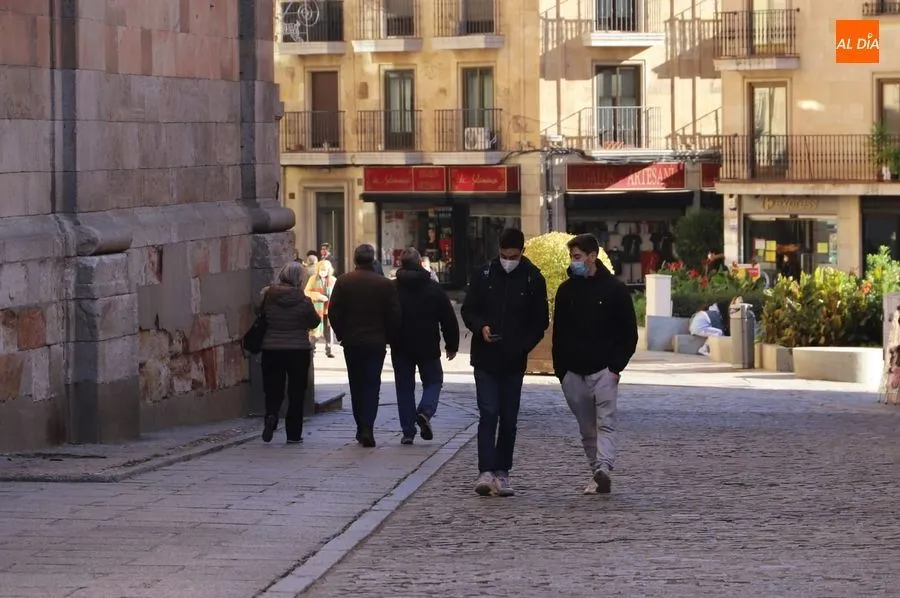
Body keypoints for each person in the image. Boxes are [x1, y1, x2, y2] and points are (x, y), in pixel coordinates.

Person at [461, 228, 549, 497]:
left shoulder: (533, 278)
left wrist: (522, 346)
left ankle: (502, 472)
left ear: (522, 252)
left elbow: (540, 321)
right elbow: (469, 310)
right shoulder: (484, 274)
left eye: (513, 256)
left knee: (509, 419)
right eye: (504, 256)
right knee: (488, 413)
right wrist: (481, 327)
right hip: (485, 358)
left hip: (513, 360)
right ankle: (485, 471)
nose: (508, 261)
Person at [552, 233, 638, 495]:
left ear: (592, 256)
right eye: (571, 256)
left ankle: (604, 467)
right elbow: (559, 334)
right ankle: (596, 472)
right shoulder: (566, 291)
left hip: (603, 371)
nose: (573, 261)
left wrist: (615, 368)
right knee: (587, 429)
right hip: (573, 373)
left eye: (578, 256)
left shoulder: (615, 290)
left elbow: (629, 333)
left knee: (606, 422)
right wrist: (561, 372)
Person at [329, 244, 402, 447]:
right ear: (373, 260)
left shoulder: (344, 281)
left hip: (352, 341)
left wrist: (341, 333)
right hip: (375, 342)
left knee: (356, 384)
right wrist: (388, 336)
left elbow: (333, 311)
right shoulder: (384, 284)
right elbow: (395, 314)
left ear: (355, 260)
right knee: (372, 384)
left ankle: (361, 426)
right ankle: (368, 426)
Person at [391, 248, 460, 445]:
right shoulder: (433, 288)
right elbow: (448, 318)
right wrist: (452, 344)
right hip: (427, 344)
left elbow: (385, 315)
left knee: (404, 387)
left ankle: (407, 432)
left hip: (400, 344)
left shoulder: (393, 288)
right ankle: (425, 411)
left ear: (401, 264)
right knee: (434, 380)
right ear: (420, 263)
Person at [258, 261, 321, 444]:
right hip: (297, 351)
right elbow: (315, 322)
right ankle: (293, 434)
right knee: (296, 392)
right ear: (300, 278)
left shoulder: (267, 295)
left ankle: (271, 415)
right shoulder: (304, 300)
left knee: (273, 388)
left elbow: (259, 313)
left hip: (271, 349)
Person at [304, 259, 337, 358]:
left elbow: (337, 294)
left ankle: (329, 350)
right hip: (316, 309)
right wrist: (317, 296)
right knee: (315, 330)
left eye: (325, 270)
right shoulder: (313, 279)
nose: (323, 272)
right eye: (321, 270)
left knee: (328, 331)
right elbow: (307, 291)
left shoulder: (333, 280)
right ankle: (312, 348)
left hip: (329, 309)